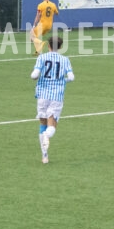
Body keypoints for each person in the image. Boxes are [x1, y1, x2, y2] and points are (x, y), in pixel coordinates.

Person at [31, 36, 75, 164]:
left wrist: (34, 77)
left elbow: (34, 75)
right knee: (52, 126)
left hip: (42, 95)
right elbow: (71, 77)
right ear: (60, 47)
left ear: (48, 45)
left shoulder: (42, 57)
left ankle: (45, 156)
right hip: (56, 96)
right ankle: (47, 136)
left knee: (42, 125)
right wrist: (62, 81)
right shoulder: (65, 60)